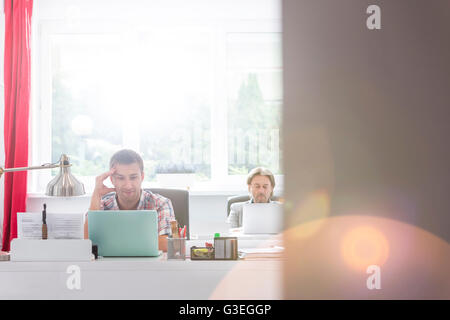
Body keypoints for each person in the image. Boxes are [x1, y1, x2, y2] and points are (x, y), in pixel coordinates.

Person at [84, 149, 175, 252]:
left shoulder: (161, 203)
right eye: (121, 178)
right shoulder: (101, 205)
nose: (128, 185)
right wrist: (96, 194)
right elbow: (87, 244)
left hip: (148, 267)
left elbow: (166, 244)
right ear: (112, 180)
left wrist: (113, 243)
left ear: (142, 177)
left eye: (133, 177)